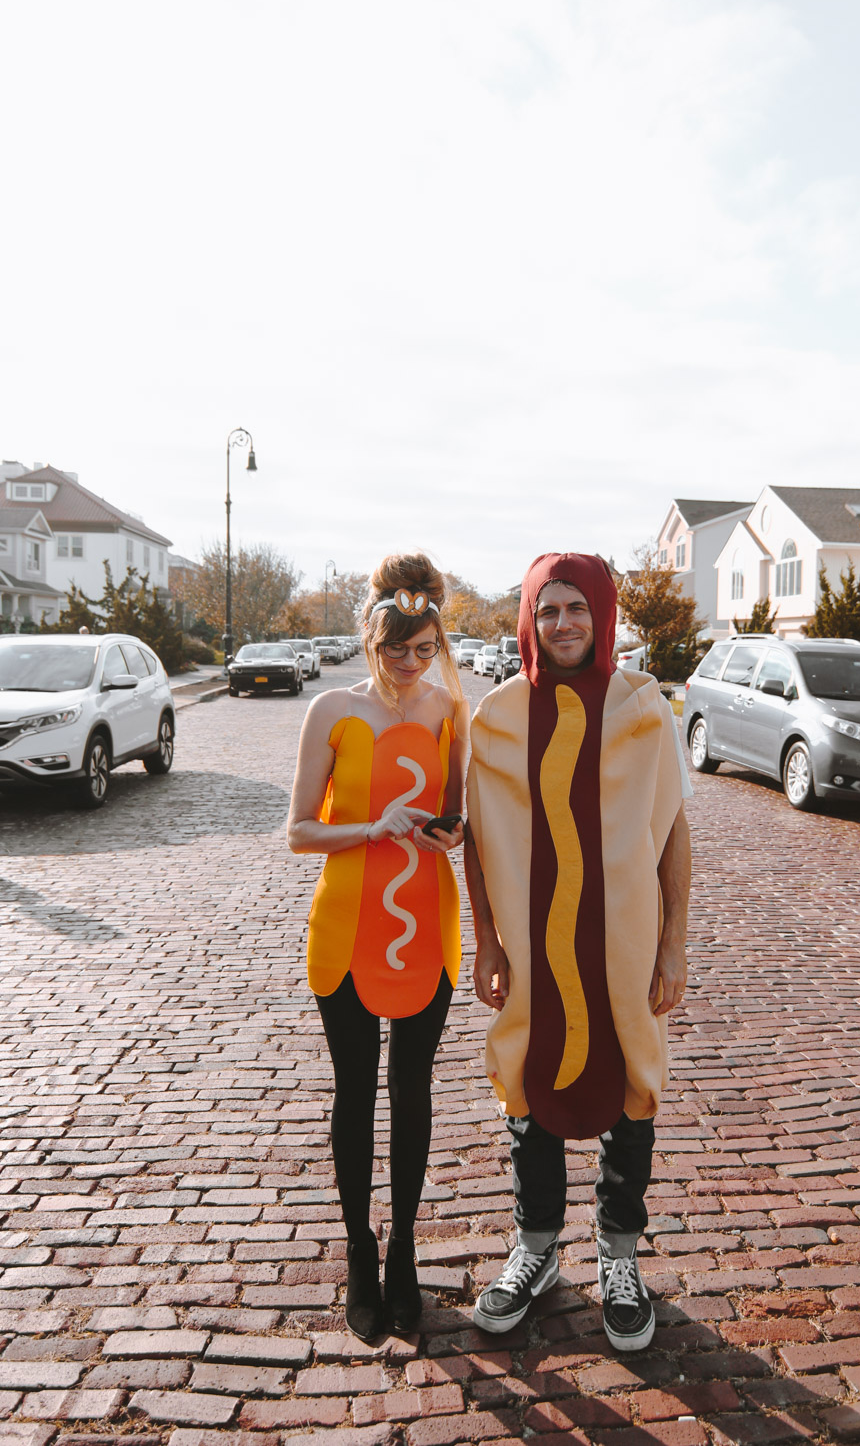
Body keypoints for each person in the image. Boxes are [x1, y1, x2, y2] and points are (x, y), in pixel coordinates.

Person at [464, 552, 692, 1351]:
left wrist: (674, 942)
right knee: (526, 1072)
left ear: (603, 616)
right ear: (529, 619)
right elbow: (478, 844)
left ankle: (619, 1257)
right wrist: (486, 939)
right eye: (547, 609)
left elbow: (671, 832)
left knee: (634, 1074)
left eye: (576, 609)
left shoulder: (644, 706)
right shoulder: (494, 716)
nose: (561, 624)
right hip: (530, 940)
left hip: (622, 938)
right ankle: (535, 1250)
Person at [286, 553, 467, 1339]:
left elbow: (456, 822)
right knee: (355, 1092)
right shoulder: (330, 710)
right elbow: (297, 830)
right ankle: (361, 1248)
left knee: (414, 1094)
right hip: (347, 927)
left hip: (427, 924)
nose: (410, 662)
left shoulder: (449, 714)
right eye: (397, 647)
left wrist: (447, 832)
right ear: (372, 635)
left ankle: (403, 1256)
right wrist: (371, 828)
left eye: (424, 648)